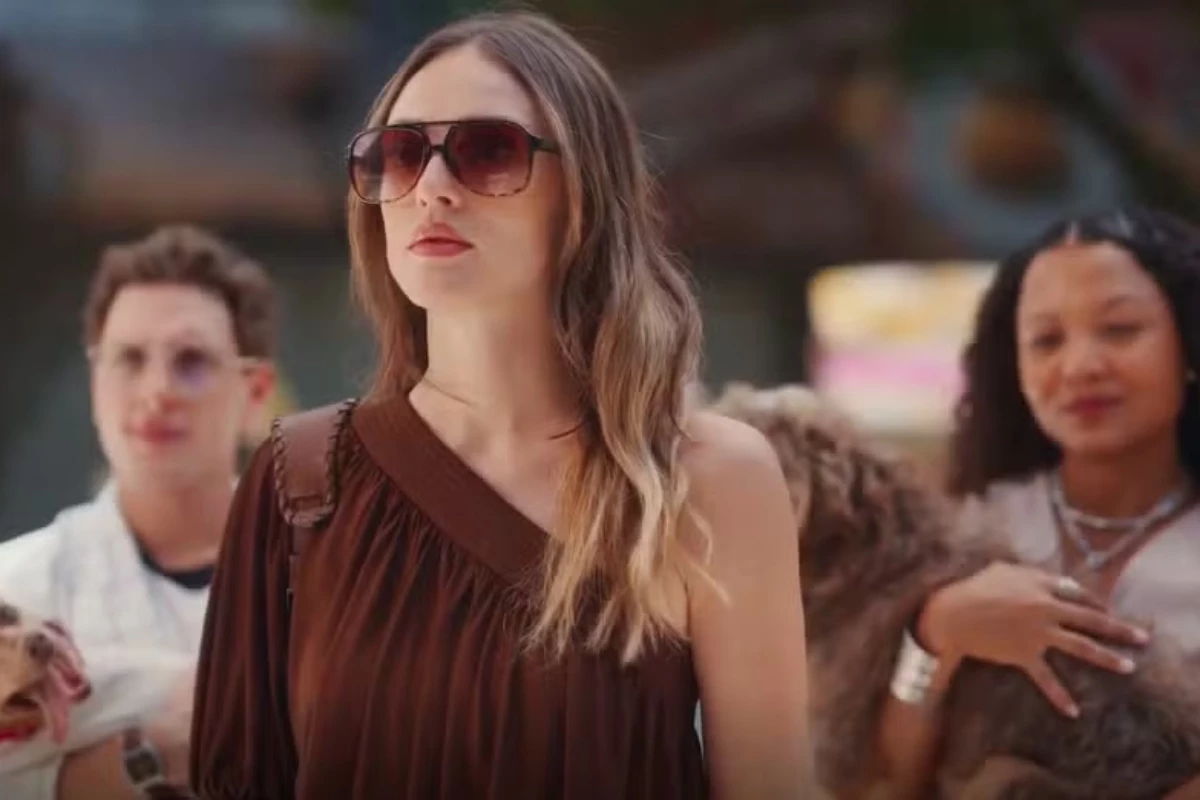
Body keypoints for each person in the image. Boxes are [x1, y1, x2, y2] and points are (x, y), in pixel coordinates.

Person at [189, 10, 813, 800]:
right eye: (400, 154)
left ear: (582, 192)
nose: (432, 188)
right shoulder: (298, 483)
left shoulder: (710, 482)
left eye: (488, 151)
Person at [874, 207, 1200, 798]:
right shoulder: (964, 530)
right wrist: (937, 632)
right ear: (1014, 368)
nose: (1080, 366)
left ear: (1190, 344)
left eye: (1120, 329)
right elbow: (883, 781)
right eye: (1047, 340)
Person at [0, 225, 278, 799]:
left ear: (255, 393)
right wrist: (148, 754)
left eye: (192, 360)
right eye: (128, 359)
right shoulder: (17, 586)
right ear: (94, 382)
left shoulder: (330, 580)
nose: (156, 390)